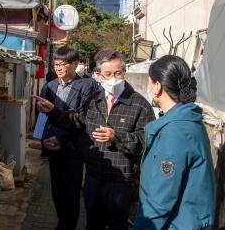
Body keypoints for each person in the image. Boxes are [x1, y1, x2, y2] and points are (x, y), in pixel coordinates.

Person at [35, 49, 155, 230]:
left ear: (124, 72)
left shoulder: (139, 104)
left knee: (116, 224)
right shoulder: (94, 99)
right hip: (93, 176)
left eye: (118, 73)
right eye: (107, 74)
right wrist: (52, 113)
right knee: (92, 222)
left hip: (120, 180)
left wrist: (116, 136)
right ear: (99, 75)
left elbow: (146, 141)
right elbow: (76, 120)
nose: (113, 78)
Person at [133, 55, 215, 230]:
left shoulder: (175, 132)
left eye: (150, 82)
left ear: (157, 87)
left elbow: (161, 198)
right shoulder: (188, 118)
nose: (148, 86)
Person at [41, 45, 96, 230]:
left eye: (62, 64)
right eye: (55, 64)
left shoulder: (87, 86)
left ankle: (67, 226)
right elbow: (42, 115)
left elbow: (84, 120)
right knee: (56, 191)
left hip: (72, 150)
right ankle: (61, 223)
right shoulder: (49, 86)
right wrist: (41, 139)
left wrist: (61, 140)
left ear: (74, 64)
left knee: (71, 193)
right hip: (51, 148)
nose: (58, 68)